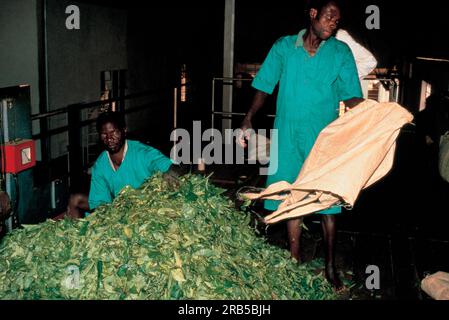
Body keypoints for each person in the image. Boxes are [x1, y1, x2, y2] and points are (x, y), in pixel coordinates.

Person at [238, 0, 363, 291]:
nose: (335, 23)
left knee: (328, 201)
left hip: (323, 139)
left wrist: (374, 118)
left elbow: (351, 96)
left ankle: (331, 268)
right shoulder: (284, 47)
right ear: (313, 14)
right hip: (287, 134)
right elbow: (264, 84)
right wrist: (248, 118)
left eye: (338, 19)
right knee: (288, 195)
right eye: (330, 16)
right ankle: (294, 259)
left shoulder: (340, 52)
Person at [66, 111, 182, 219]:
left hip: (148, 208)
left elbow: (173, 168)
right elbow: (100, 203)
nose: (109, 138)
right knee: (74, 200)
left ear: (124, 130)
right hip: (121, 211)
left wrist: (170, 175)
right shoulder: (100, 165)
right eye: (104, 134)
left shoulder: (142, 153)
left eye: (114, 132)